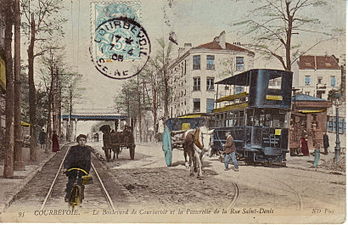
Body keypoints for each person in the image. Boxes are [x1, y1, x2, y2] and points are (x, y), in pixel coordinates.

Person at [63, 134, 92, 202]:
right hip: (73, 168)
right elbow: (68, 158)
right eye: (80, 140)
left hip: (83, 169)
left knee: (82, 183)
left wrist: (87, 171)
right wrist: (66, 167)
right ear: (78, 141)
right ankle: (68, 195)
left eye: (83, 140)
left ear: (86, 141)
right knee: (70, 182)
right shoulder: (73, 148)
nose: (82, 142)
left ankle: (81, 195)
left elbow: (88, 161)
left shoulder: (88, 149)